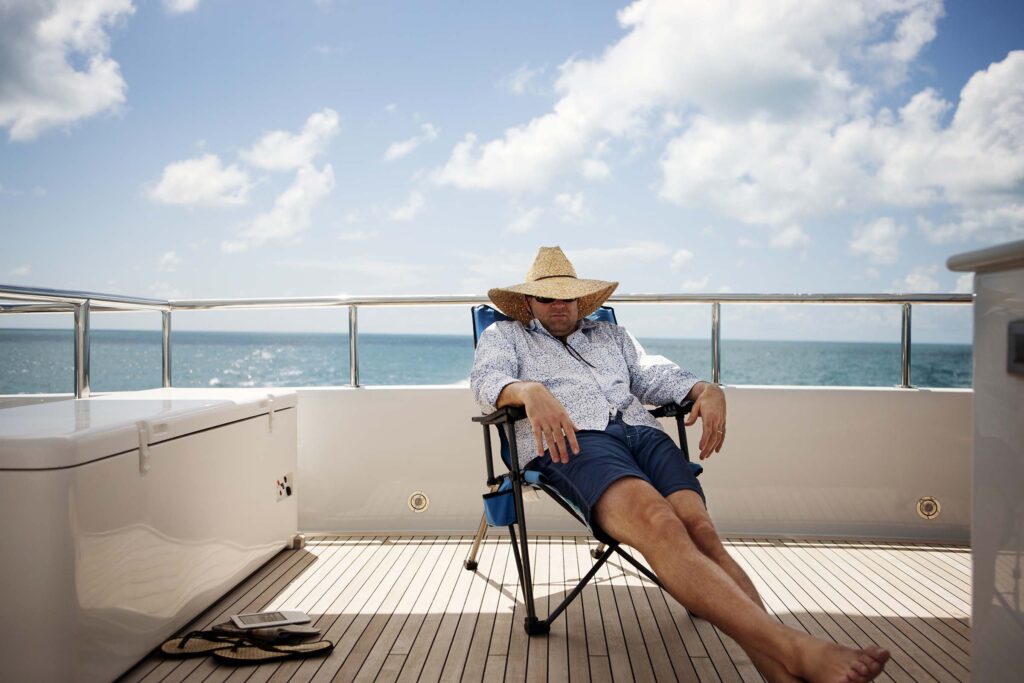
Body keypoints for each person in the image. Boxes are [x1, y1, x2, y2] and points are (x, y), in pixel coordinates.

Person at [470, 246, 890, 683]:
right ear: (529, 304)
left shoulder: (610, 336)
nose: (558, 305)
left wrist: (703, 387)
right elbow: (487, 381)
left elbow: (651, 375)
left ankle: (780, 673)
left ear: (580, 300)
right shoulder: (506, 336)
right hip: (574, 440)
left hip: (639, 431)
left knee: (701, 530)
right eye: (547, 298)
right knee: (659, 520)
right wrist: (527, 390)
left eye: (567, 297)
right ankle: (794, 648)